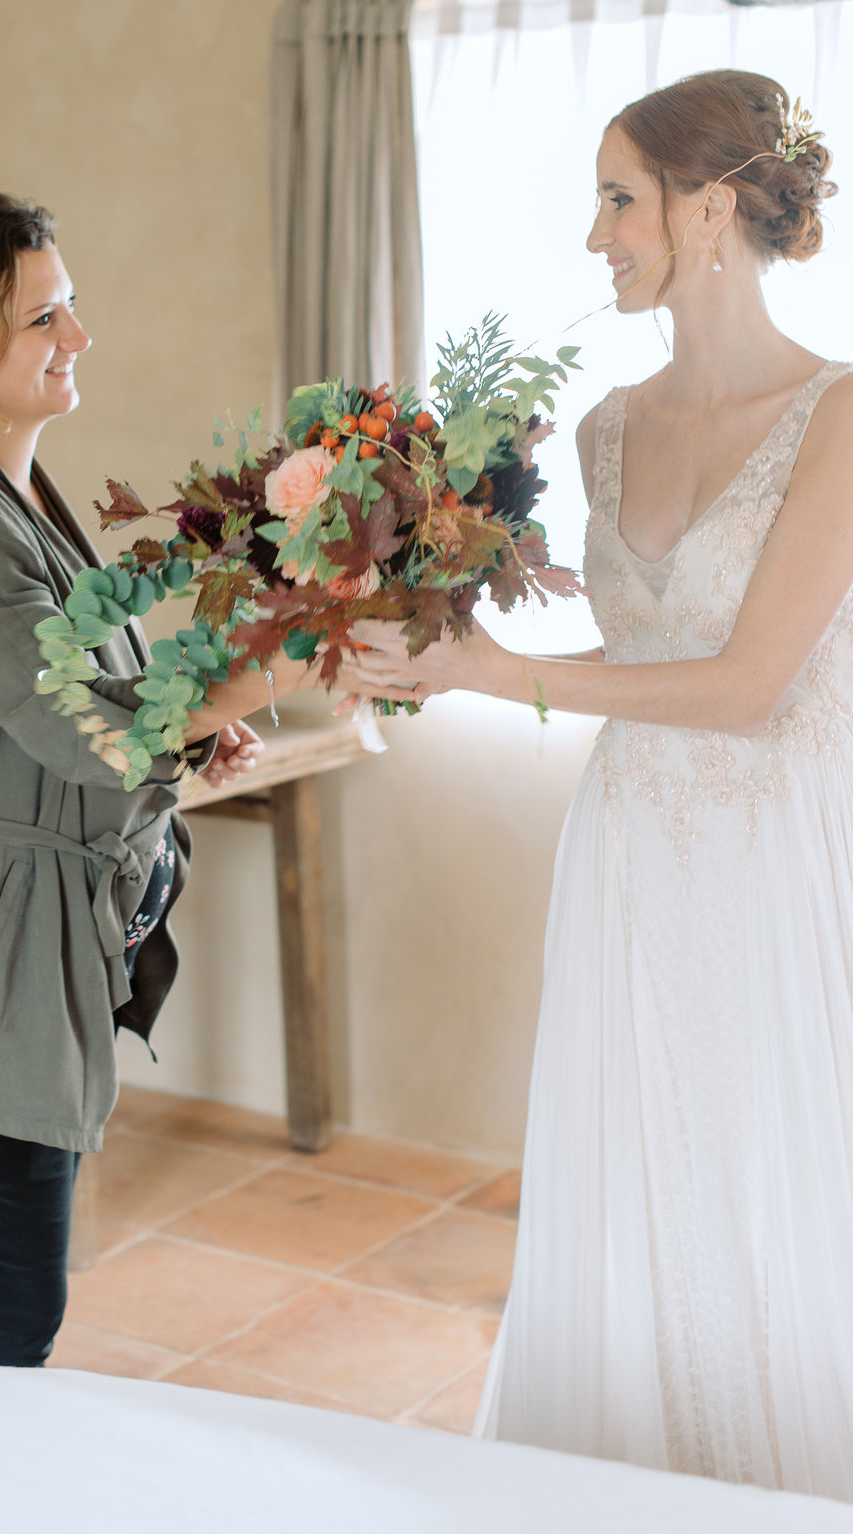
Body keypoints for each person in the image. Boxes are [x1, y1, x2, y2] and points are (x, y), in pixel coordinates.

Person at [342, 70, 853, 1500]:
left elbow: (746, 686)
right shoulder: (603, 429)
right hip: (632, 855)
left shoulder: (841, 415)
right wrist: (445, 653)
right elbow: (639, 660)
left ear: (710, 208)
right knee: (647, 1182)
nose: (594, 237)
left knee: (772, 1184)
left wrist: (495, 672)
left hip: (777, 861)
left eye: (617, 200)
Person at [0, 190, 323, 1369]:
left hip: (2, 954)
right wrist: (274, 669)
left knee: (7, 1315)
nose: (79, 337)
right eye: (43, 318)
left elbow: (83, 695)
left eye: (71, 306)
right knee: (2, 1318)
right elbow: (87, 735)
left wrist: (200, 726)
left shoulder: (12, 489)